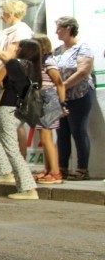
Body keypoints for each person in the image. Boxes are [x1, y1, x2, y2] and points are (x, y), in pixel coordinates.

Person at [0, 39, 42, 199]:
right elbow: (4, 86)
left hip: (8, 109)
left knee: (12, 149)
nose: (15, 48)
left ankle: (29, 189)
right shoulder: (31, 67)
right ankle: (5, 172)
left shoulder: (14, 64)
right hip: (19, 111)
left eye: (18, 46)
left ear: (23, 50)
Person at [0, 0, 33, 157]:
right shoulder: (10, 31)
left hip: (13, 86)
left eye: (3, 12)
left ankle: (19, 162)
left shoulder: (21, 30)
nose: (1, 16)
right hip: (5, 83)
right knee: (4, 128)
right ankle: (11, 164)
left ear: (11, 12)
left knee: (13, 127)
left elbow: (8, 57)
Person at [53, 16, 95, 181]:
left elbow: (83, 71)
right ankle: (62, 168)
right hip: (60, 97)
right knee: (62, 132)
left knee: (78, 131)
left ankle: (82, 169)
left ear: (69, 28)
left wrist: (63, 85)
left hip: (79, 95)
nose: (56, 32)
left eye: (59, 28)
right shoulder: (57, 50)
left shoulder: (83, 48)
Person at [32, 34, 65, 184]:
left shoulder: (48, 62)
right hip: (40, 100)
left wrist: (62, 103)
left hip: (48, 100)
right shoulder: (37, 63)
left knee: (47, 138)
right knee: (44, 138)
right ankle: (47, 169)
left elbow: (59, 83)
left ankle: (56, 172)